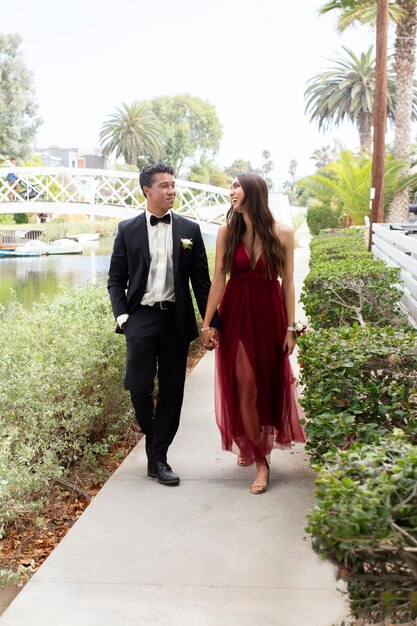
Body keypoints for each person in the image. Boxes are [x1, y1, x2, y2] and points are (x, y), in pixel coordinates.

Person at [108, 163, 219, 487]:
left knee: (172, 391)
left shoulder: (189, 229)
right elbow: (116, 279)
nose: (172, 190)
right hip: (140, 318)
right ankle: (154, 434)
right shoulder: (127, 229)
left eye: (174, 185)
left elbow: (202, 282)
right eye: (165, 185)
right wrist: (123, 316)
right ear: (147, 190)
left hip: (175, 320)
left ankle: (158, 458)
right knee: (139, 386)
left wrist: (211, 324)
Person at [201, 173, 305, 494]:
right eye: (231, 186)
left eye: (237, 185)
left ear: (255, 192)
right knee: (245, 385)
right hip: (237, 313)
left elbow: (287, 283)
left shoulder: (282, 233)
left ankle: (254, 442)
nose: (231, 191)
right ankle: (261, 460)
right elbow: (219, 278)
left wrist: (290, 327)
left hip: (269, 312)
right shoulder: (226, 232)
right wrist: (207, 323)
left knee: (267, 383)